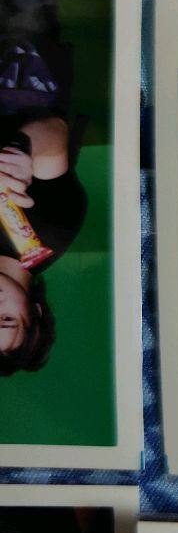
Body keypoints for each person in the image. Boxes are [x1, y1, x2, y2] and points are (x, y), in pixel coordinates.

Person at [0, 114, 84, 376]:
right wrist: (18, 153)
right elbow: (56, 132)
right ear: (34, 311)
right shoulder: (52, 233)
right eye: (7, 319)